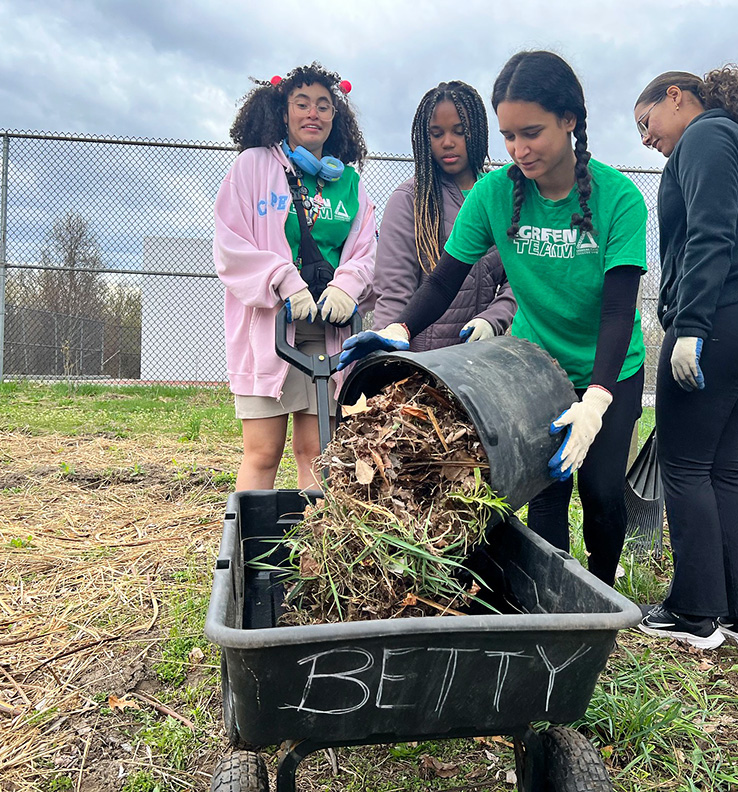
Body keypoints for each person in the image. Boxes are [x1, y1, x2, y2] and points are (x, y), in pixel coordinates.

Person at [339, 51, 647, 587]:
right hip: (536, 364)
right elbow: (443, 279)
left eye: (532, 133)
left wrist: (597, 400)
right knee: (545, 485)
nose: (518, 150)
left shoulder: (619, 199)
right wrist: (400, 329)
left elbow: (620, 310)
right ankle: (556, 597)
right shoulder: (495, 194)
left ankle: (602, 592)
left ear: (570, 120)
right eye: (507, 136)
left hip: (609, 367)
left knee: (599, 491)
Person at [633, 67, 738, 655]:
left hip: (723, 316)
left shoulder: (706, 136)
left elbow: (709, 234)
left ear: (676, 97)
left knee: (684, 462)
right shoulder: (737, 145)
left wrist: (691, 326)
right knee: (726, 464)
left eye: (646, 122)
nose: (646, 138)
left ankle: (695, 612)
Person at [213, 63, 376, 491]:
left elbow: (364, 252)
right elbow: (231, 247)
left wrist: (346, 287)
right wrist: (284, 280)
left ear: (334, 117)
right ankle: (254, 551)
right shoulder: (253, 167)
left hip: (327, 332)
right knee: (263, 453)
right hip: (270, 329)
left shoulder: (351, 184)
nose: (313, 113)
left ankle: (317, 555)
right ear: (283, 112)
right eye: (301, 103)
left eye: (323, 105)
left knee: (319, 454)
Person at [373, 81, 516, 349]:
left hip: (477, 363)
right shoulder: (409, 200)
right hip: (420, 365)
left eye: (459, 132)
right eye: (436, 134)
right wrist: (385, 361)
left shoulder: (499, 198)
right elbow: (393, 293)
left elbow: (516, 283)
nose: (447, 143)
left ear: (478, 132)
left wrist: (492, 319)